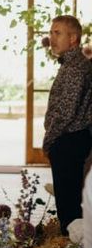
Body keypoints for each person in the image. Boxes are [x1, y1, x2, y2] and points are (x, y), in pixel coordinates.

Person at [43, 15, 92, 235]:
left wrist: (50, 139)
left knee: (69, 206)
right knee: (70, 200)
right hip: (72, 139)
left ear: (73, 38)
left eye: (58, 33)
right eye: (51, 32)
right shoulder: (74, 63)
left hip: (69, 140)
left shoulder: (74, 67)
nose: (52, 38)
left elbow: (66, 112)